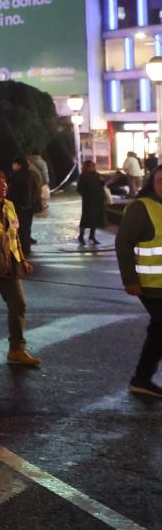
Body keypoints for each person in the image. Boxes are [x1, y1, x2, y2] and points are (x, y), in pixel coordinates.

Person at [0, 166, 39, 367]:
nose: (3, 186)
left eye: (4, 181)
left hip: (10, 264)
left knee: (18, 305)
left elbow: (15, 235)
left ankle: (17, 349)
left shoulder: (9, 205)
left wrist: (22, 259)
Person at [116, 166, 162, 397]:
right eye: (161, 181)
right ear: (152, 183)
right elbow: (123, 244)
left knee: (158, 330)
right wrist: (130, 279)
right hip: (150, 285)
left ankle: (142, 378)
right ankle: (142, 378)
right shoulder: (141, 208)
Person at [7, 156, 41, 250]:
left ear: (19, 165)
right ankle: (26, 247)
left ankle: (19, 249)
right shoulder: (33, 175)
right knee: (27, 228)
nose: (12, 166)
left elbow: (13, 192)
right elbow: (37, 190)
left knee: (17, 228)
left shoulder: (16, 176)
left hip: (18, 208)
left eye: (14, 164)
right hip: (29, 207)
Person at [77, 160, 108, 247]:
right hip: (88, 201)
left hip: (98, 200)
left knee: (95, 218)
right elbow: (80, 189)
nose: (92, 168)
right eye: (90, 166)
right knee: (86, 218)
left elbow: (102, 185)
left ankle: (92, 235)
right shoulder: (83, 176)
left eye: (93, 166)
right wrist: (86, 196)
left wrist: (102, 181)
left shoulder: (97, 175)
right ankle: (81, 236)